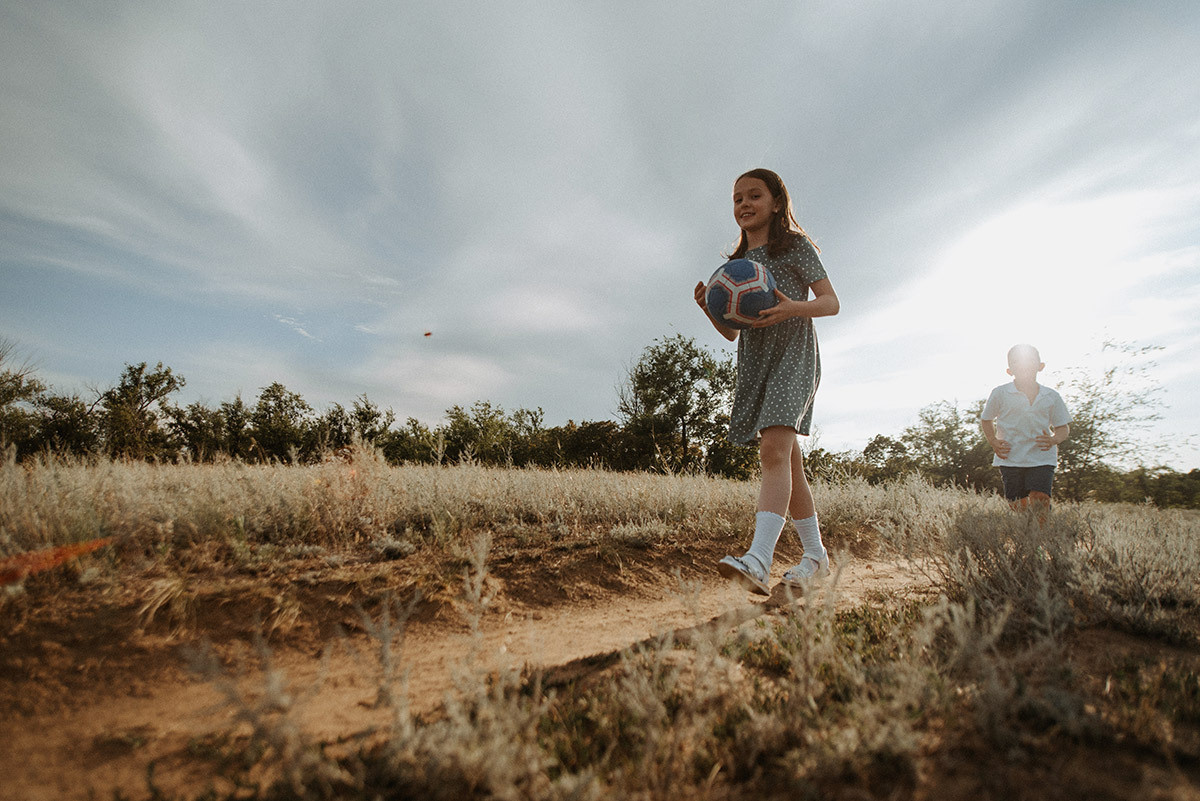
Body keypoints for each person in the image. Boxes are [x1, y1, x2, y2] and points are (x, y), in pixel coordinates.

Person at [693, 168, 840, 595]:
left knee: (773, 451)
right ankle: (816, 557)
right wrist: (708, 308)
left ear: (777, 203)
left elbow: (830, 302)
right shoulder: (734, 266)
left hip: (794, 356)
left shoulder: (794, 247)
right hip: (757, 363)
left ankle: (758, 559)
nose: (744, 204)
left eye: (754, 195)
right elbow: (731, 333)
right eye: (737, 198)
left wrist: (793, 307)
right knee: (787, 461)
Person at [980, 344, 1072, 513]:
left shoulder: (1051, 396)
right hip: (1010, 456)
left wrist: (1054, 439)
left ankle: (1043, 529)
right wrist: (993, 441)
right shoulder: (1000, 393)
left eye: (1029, 360)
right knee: (1017, 505)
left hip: (1042, 456)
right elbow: (986, 420)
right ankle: (1025, 528)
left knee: (1040, 497)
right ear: (1009, 370)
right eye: (1016, 361)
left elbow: (1063, 427)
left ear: (1040, 366)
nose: (1023, 364)